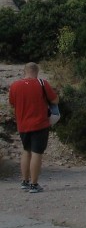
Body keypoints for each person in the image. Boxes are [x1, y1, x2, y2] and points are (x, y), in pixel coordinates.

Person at [8, 62, 59, 193]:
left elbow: (12, 103)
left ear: (24, 71)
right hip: (39, 123)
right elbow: (54, 100)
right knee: (37, 153)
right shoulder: (42, 83)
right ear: (37, 71)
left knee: (26, 151)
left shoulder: (14, 86)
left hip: (23, 124)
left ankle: (24, 181)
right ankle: (34, 184)